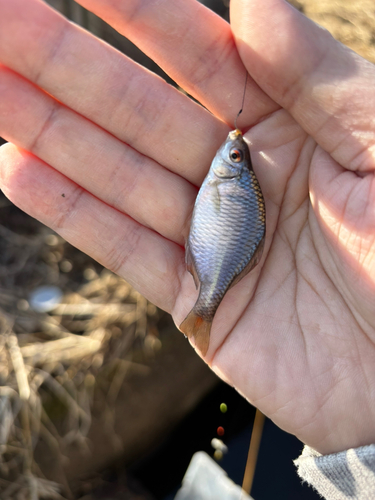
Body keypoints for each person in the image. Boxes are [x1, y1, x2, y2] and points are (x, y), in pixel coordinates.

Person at [0, 0, 374, 497]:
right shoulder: (233, 179)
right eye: (236, 154)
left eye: (235, 155)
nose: (232, 150)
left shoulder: (233, 178)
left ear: (232, 165)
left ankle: (207, 305)